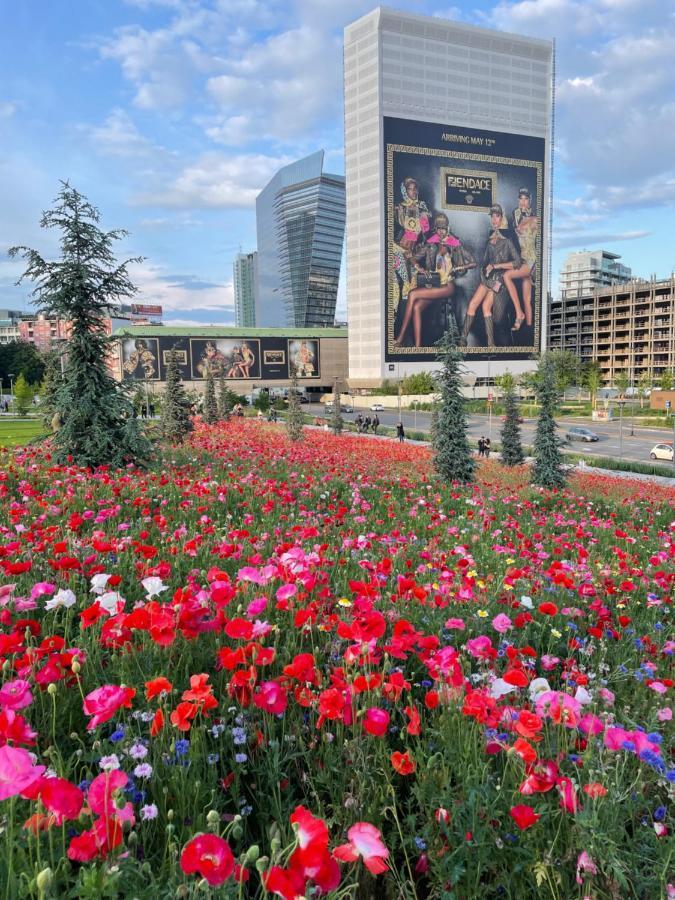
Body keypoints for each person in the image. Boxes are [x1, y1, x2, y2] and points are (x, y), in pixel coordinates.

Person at [395, 213, 476, 348]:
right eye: (438, 228)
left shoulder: (455, 243)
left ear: (448, 228)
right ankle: (418, 347)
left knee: (413, 294)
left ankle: (401, 338)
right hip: (434, 284)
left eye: (443, 228)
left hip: (447, 286)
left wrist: (460, 267)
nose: (440, 232)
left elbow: (473, 262)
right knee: (416, 307)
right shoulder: (431, 243)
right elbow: (414, 257)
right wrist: (419, 267)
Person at [459, 205, 521, 348]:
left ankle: (491, 344)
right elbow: (485, 263)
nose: (494, 219)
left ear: (502, 218)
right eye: (492, 216)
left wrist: (497, 266)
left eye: (497, 216)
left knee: (486, 308)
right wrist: (484, 272)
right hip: (488, 279)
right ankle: (462, 340)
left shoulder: (508, 240)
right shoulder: (489, 240)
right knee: (473, 304)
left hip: (500, 281)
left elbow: (517, 262)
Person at [503, 187, 538, 331]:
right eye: (521, 199)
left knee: (507, 276)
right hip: (523, 259)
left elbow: (541, 243)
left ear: (530, 201)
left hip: (531, 261)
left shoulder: (536, 219)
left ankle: (519, 314)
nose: (523, 202)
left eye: (526, 199)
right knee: (527, 300)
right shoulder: (515, 215)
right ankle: (529, 328)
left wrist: (537, 266)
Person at [392, 177, 431, 305]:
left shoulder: (422, 209)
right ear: (405, 191)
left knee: (411, 289)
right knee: (399, 286)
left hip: (410, 254)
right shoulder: (399, 208)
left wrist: (424, 217)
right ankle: (392, 319)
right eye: (410, 189)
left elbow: (425, 233)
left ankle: (403, 321)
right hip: (397, 250)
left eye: (415, 189)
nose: (413, 192)